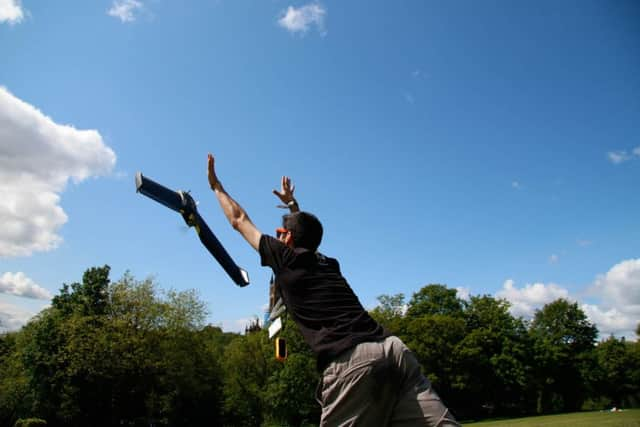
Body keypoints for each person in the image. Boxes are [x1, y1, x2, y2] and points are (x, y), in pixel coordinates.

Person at [207, 153, 460, 426]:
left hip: (352, 362)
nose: (277, 236)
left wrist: (216, 186)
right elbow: (306, 235)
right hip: (394, 351)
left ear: (288, 238)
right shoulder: (328, 263)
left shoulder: (286, 258)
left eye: (281, 232)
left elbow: (238, 219)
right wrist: (292, 204)